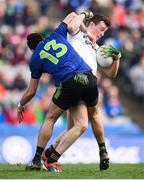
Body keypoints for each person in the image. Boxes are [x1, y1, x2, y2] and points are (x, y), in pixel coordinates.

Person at [17, 10, 99, 171]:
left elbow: (31, 91)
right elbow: (72, 14)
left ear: (31, 49)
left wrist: (21, 105)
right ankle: (52, 157)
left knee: (50, 119)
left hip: (69, 82)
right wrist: (86, 25)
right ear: (42, 39)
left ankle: (37, 160)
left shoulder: (35, 58)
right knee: (81, 125)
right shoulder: (56, 35)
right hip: (90, 79)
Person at [42, 14, 121, 171]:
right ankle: (50, 159)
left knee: (75, 128)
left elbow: (112, 74)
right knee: (84, 123)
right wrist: (85, 20)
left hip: (87, 86)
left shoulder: (97, 49)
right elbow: (72, 25)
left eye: (105, 32)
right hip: (74, 80)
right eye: (101, 29)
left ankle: (47, 154)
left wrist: (117, 58)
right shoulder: (77, 33)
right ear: (91, 24)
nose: (102, 34)